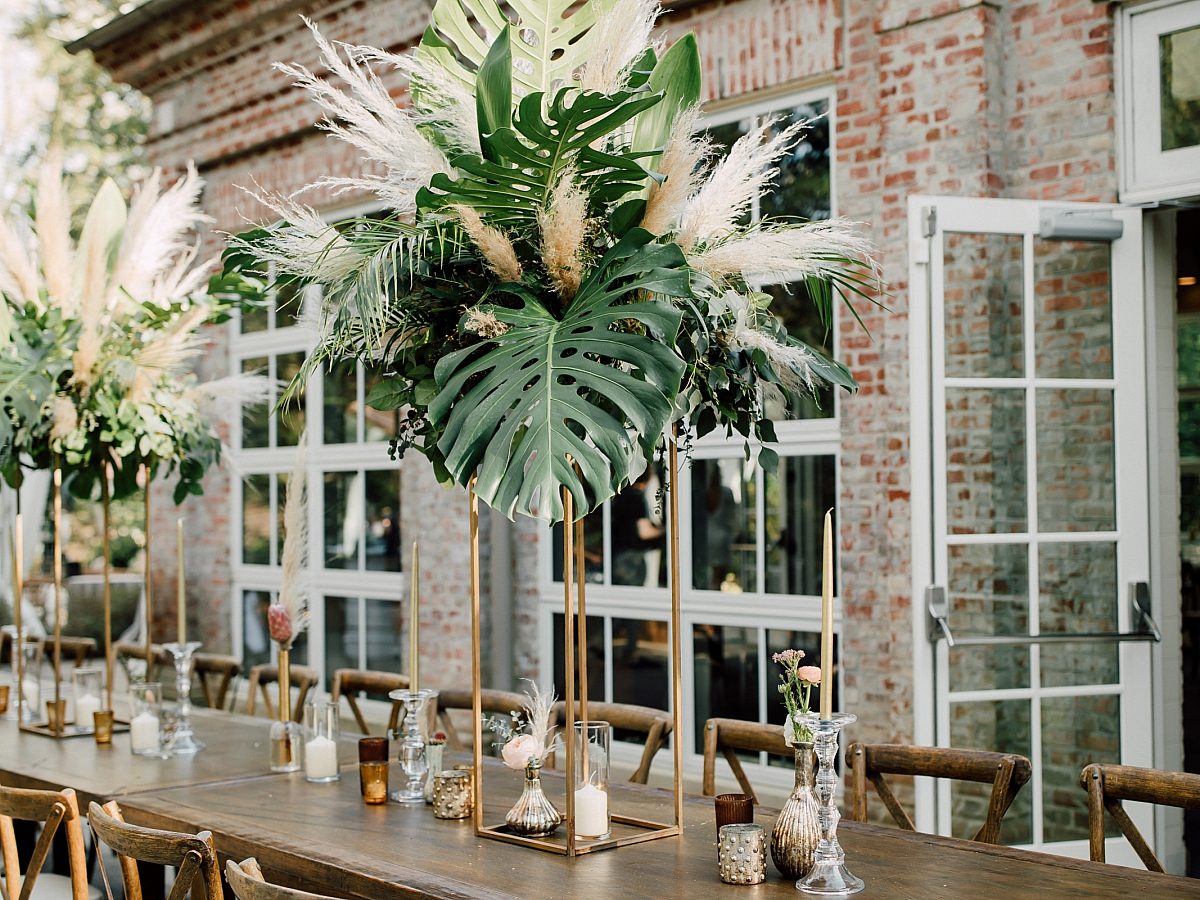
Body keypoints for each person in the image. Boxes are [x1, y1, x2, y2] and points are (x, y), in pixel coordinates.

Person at [610, 472, 664, 586]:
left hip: (620, 555)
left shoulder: (621, 496)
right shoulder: (634, 498)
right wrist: (666, 531)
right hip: (631, 559)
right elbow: (644, 532)